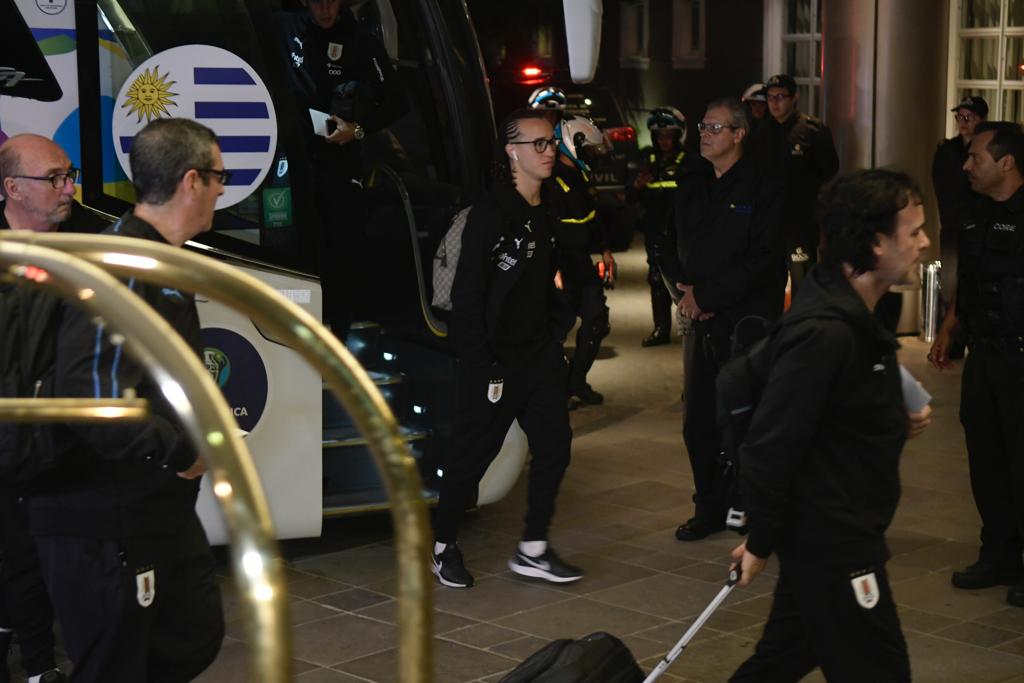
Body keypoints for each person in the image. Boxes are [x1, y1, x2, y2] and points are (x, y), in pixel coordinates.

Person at [27, 118, 225, 681]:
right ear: (191, 181)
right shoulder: (124, 268)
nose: (219, 189)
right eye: (217, 177)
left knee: (189, 635)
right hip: (102, 515)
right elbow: (91, 396)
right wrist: (180, 452)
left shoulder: (152, 260)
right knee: (121, 662)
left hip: (147, 508)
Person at [730, 168, 933, 682]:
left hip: (832, 532)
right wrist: (760, 538)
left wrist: (890, 413)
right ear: (873, 243)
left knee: (779, 662)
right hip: (833, 541)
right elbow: (770, 444)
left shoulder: (853, 312)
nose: (925, 242)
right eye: (912, 231)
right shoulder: (824, 332)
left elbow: (837, 408)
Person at [431, 109, 582, 589]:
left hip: (537, 355)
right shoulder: (491, 214)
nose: (548, 150)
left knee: (555, 446)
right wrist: (482, 363)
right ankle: (442, 545)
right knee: (472, 457)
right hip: (493, 361)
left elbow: (550, 279)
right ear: (511, 152)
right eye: (537, 144)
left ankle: (533, 549)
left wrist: (558, 328)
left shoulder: (548, 208)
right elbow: (467, 296)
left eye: (551, 142)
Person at [656, 97, 786, 542]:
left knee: (744, 417)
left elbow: (766, 259)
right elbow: (665, 243)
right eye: (703, 126)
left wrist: (708, 295)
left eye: (715, 128)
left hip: (745, 319)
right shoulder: (691, 178)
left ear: (738, 135)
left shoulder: (765, 184)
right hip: (699, 318)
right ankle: (708, 506)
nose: (705, 134)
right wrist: (685, 295)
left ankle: (748, 506)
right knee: (698, 421)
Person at [930, 121, 1024, 607]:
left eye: (976, 158)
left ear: (1006, 163)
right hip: (984, 355)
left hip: (1021, 356)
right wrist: (950, 327)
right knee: (986, 459)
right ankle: (999, 555)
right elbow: (968, 281)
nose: (966, 165)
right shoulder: (973, 213)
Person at [0, 134, 81, 683]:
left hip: (57, 441)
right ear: (12, 189)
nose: (68, 188)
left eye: (69, 174)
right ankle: (36, 666)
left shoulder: (78, 254)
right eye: (53, 178)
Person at [279, 0, 407, 333]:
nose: (324, 8)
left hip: (340, 160)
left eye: (331, 0)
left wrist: (359, 129)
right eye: (317, 0)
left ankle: (339, 341)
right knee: (301, 252)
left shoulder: (361, 39)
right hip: (292, 161)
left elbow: (397, 102)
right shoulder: (283, 27)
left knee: (345, 254)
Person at [546, 114, 614, 405]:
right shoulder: (550, 179)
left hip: (581, 262)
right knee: (554, 330)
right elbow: (542, 227)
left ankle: (575, 382)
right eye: (588, 150)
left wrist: (606, 250)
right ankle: (551, 391)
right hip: (560, 264)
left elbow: (591, 219)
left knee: (596, 320)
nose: (592, 156)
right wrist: (552, 268)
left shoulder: (580, 175)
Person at [758, 73, 839, 296]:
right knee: (767, 285)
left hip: (800, 223)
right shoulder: (761, 133)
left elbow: (829, 173)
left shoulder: (812, 130)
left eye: (780, 97)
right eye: (770, 97)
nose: (774, 102)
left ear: (794, 98)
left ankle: (800, 329)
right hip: (769, 223)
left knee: (802, 283)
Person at [932, 95, 987, 357]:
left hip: (978, 226)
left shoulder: (987, 151)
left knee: (975, 282)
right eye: (960, 117)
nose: (963, 122)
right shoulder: (947, 150)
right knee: (951, 284)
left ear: (981, 119)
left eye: (969, 117)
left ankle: (970, 339)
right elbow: (940, 185)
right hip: (954, 227)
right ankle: (952, 343)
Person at [629, 107, 687, 348]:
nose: (664, 141)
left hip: (682, 232)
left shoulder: (689, 161)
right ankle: (661, 329)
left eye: (669, 135)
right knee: (656, 280)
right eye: (660, 136)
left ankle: (691, 326)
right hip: (655, 231)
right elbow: (630, 198)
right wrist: (638, 186)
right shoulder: (647, 160)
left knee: (684, 280)